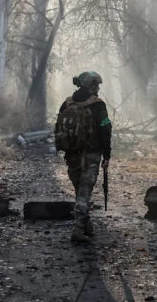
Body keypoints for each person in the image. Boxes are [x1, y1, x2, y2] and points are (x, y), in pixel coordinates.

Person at [58, 71, 112, 243]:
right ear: (91, 85)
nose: (98, 89)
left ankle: (86, 224)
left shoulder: (66, 104)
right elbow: (105, 130)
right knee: (84, 191)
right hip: (91, 154)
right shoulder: (98, 105)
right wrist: (107, 155)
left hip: (72, 155)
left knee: (80, 191)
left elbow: (59, 128)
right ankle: (78, 229)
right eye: (97, 85)